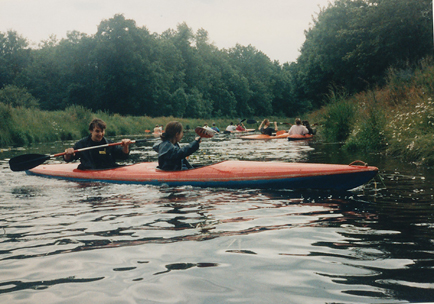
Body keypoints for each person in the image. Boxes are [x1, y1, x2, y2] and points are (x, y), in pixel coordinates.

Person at [64, 118, 132, 170]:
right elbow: (68, 159)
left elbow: (124, 156)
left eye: (102, 131)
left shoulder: (109, 144)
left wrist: (125, 146)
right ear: (91, 131)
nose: (100, 134)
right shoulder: (82, 144)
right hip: (90, 171)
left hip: (108, 170)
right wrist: (68, 153)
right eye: (97, 131)